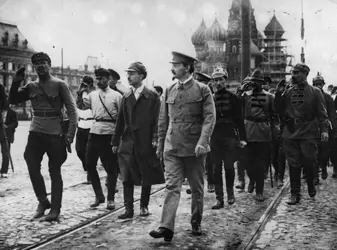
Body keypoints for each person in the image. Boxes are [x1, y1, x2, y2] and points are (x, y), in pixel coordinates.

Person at [149, 51, 215, 241]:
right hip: (173, 147)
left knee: (196, 188)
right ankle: (166, 227)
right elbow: (163, 120)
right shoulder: (170, 90)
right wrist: (161, 145)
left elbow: (210, 118)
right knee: (172, 187)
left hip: (195, 149)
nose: (172, 68)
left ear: (187, 67)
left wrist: (203, 142)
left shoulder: (203, 89)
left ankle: (196, 222)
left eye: (176, 65)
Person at [9, 52, 77, 221]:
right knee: (31, 164)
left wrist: (70, 135)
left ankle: (55, 209)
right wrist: (16, 80)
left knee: (55, 170)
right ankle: (42, 201)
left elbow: (72, 110)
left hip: (55, 133)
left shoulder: (60, 84)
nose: (40, 65)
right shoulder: (31, 86)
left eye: (43, 62)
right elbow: (13, 99)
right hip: (36, 132)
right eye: (37, 63)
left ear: (49, 64)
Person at [112, 62, 165, 219]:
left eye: (132, 73)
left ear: (141, 76)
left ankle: (144, 205)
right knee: (126, 175)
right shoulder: (126, 97)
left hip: (146, 140)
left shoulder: (152, 97)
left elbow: (158, 120)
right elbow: (120, 121)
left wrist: (156, 139)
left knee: (145, 173)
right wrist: (115, 142)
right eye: (127, 73)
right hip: (128, 141)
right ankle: (128, 209)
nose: (128, 76)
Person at [275, 63, 329, 205]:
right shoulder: (288, 92)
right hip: (291, 132)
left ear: (305, 74)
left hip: (309, 132)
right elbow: (279, 111)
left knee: (310, 161)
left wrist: (324, 130)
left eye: (297, 72)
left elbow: (322, 113)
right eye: (293, 72)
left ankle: (311, 183)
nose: (294, 75)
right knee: (293, 163)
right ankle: (295, 193)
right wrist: (278, 95)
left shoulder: (315, 92)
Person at [83, 68, 122, 210]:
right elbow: (80, 105)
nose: (99, 81)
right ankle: (99, 195)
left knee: (111, 167)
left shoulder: (117, 96)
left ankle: (111, 198)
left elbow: (122, 117)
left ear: (108, 79)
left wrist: (117, 138)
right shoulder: (92, 95)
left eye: (102, 79)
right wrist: (83, 89)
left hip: (109, 133)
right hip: (94, 131)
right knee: (90, 164)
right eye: (97, 79)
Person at [209, 67, 246, 208]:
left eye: (221, 79)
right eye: (215, 80)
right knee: (215, 168)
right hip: (215, 136)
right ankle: (219, 198)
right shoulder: (210, 99)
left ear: (226, 80)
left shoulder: (234, 99)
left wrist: (242, 138)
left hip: (230, 135)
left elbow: (239, 120)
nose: (218, 82)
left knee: (229, 166)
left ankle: (230, 193)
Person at [237, 69, 275, 202]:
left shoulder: (270, 97)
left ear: (262, 83)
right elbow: (236, 106)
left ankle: (259, 191)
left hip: (263, 133)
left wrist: (274, 132)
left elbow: (273, 115)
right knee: (247, 162)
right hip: (248, 132)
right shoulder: (245, 96)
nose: (254, 84)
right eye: (252, 81)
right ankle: (252, 178)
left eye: (257, 82)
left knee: (260, 164)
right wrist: (241, 90)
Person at [312, 73, 337, 181]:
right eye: (316, 84)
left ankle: (323, 168)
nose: (318, 86)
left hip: (325, 127)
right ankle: (315, 175)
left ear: (323, 84)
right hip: (313, 127)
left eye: (320, 84)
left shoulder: (327, 98)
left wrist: (333, 128)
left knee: (325, 150)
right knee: (313, 151)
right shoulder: (311, 96)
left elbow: (332, 114)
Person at [195, 72, 215, 193]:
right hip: (196, 131)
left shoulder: (209, 96)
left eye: (201, 82)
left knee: (210, 160)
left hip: (209, 132)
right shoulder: (193, 95)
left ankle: (211, 183)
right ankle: (196, 185)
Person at [75, 75, 95, 184]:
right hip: (81, 125)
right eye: (82, 83)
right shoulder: (79, 96)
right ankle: (88, 169)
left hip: (91, 125)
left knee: (90, 152)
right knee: (79, 150)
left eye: (85, 83)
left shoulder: (94, 95)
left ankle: (90, 174)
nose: (83, 85)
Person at [0, 96, 18, 178]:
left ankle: (4, 171)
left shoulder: (12, 113)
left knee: (5, 153)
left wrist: (7, 126)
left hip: (7, 136)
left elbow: (15, 123)